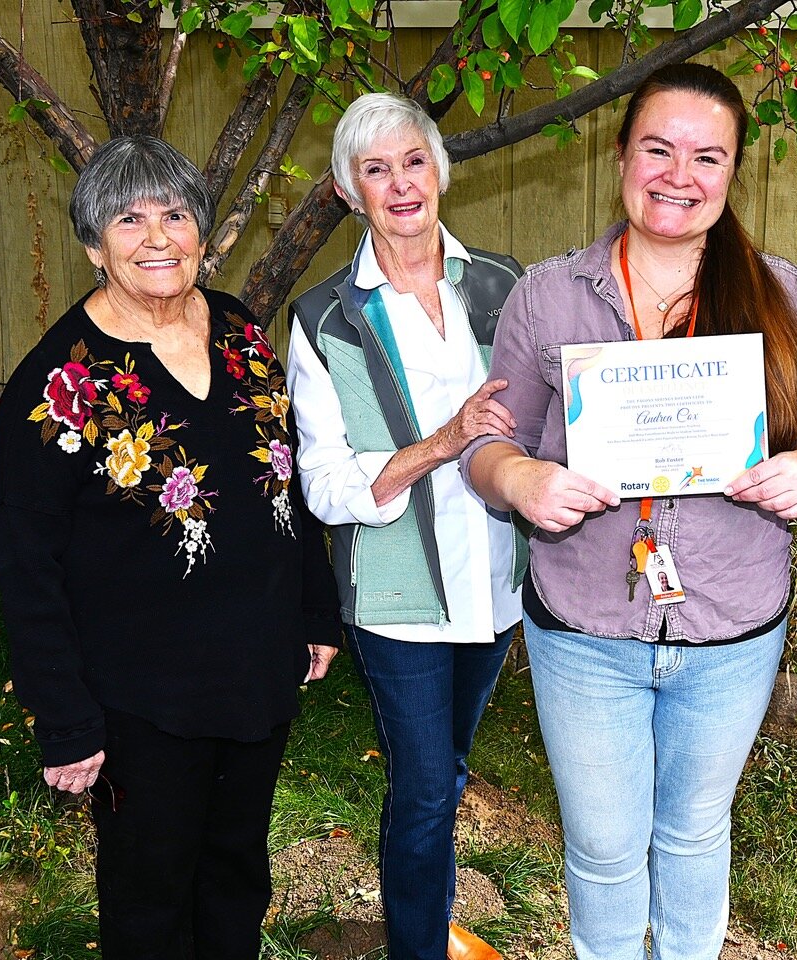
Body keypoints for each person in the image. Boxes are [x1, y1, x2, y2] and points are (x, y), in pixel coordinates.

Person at [463, 63, 797, 960]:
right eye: (656, 148)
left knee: (695, 836)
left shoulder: (778, 291)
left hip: (731, 627)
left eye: (707, 156)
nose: (679, 174)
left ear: (734, 170)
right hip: (585, 631)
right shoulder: (548, 294)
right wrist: (521, 483)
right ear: (621, 156)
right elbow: (486, 444)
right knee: (600, 848)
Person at [0, 135, 341, 960]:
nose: (157, 236)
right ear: (92, 245)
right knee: (150, 894)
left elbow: (279, 483)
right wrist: (66, 720)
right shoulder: (57, 386)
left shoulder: (240, 329)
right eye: (129, 218)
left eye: (175, 214)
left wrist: (315, 607)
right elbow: (24, 563)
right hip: (138, 697)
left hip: (255, 669)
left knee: (235, 876)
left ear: (202, 230)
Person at [286, 93, 526, 960]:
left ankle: (425, 918)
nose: (399, 184)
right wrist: (443, 443)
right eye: (374, 169)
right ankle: (417, 947)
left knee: (446, 773)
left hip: (498, 582)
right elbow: (321, 483)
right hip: (398, 595)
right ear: (350, 192)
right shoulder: (325, 318)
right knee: (425, 788)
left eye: (412, 162)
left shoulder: (503, 282)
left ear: (439, 171)